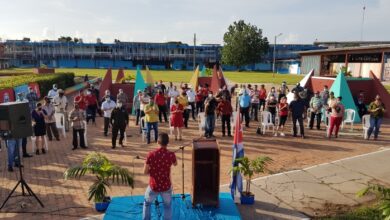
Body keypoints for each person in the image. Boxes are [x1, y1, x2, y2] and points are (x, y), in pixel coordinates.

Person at [142, 133, 177, 220]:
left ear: (158, 142)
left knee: (147, 203)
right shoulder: (171, 155)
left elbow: (144, 172)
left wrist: (149, 166)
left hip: (154, 186)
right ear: (167, 143)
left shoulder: (151, 154)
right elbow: (175, 164)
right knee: (168, 206)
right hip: (166, 186)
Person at [16, 92, 33, 157]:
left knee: (25, 139)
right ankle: (18, 154)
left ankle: (24, 153)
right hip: (19, 122)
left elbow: (29, 110)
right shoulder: (16, 102)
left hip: (25, 121)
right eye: (18, 95)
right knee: (20, 140)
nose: (20, 96)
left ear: (23, 95)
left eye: (20, 95)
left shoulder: (26, 101)